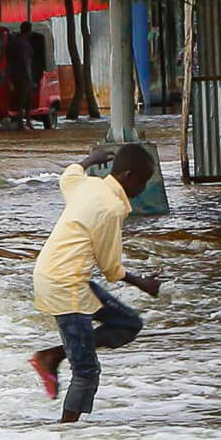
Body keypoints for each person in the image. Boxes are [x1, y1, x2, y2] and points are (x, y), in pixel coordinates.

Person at [29, 145, 163, 422]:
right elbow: (111, 268)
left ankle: (53, 355)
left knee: (129, 324)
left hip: (56, 272)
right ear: (128, 177)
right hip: (66, 283)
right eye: (144, 180)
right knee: (86, 369)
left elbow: (68, 177)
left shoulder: (89, 185)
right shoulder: (111, 208)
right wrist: (142, 283)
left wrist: (90, 160)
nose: (145, 186)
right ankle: (66, 435)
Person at [9, 21, 38, 126]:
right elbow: (26, 61)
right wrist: (29, 76)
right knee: (25, 100)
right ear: (29, 31)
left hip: (16, 74)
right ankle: (23, 123)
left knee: (24, 99)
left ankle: (25, 122)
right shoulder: (24, 44)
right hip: (23, 76)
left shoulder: (15, 42)